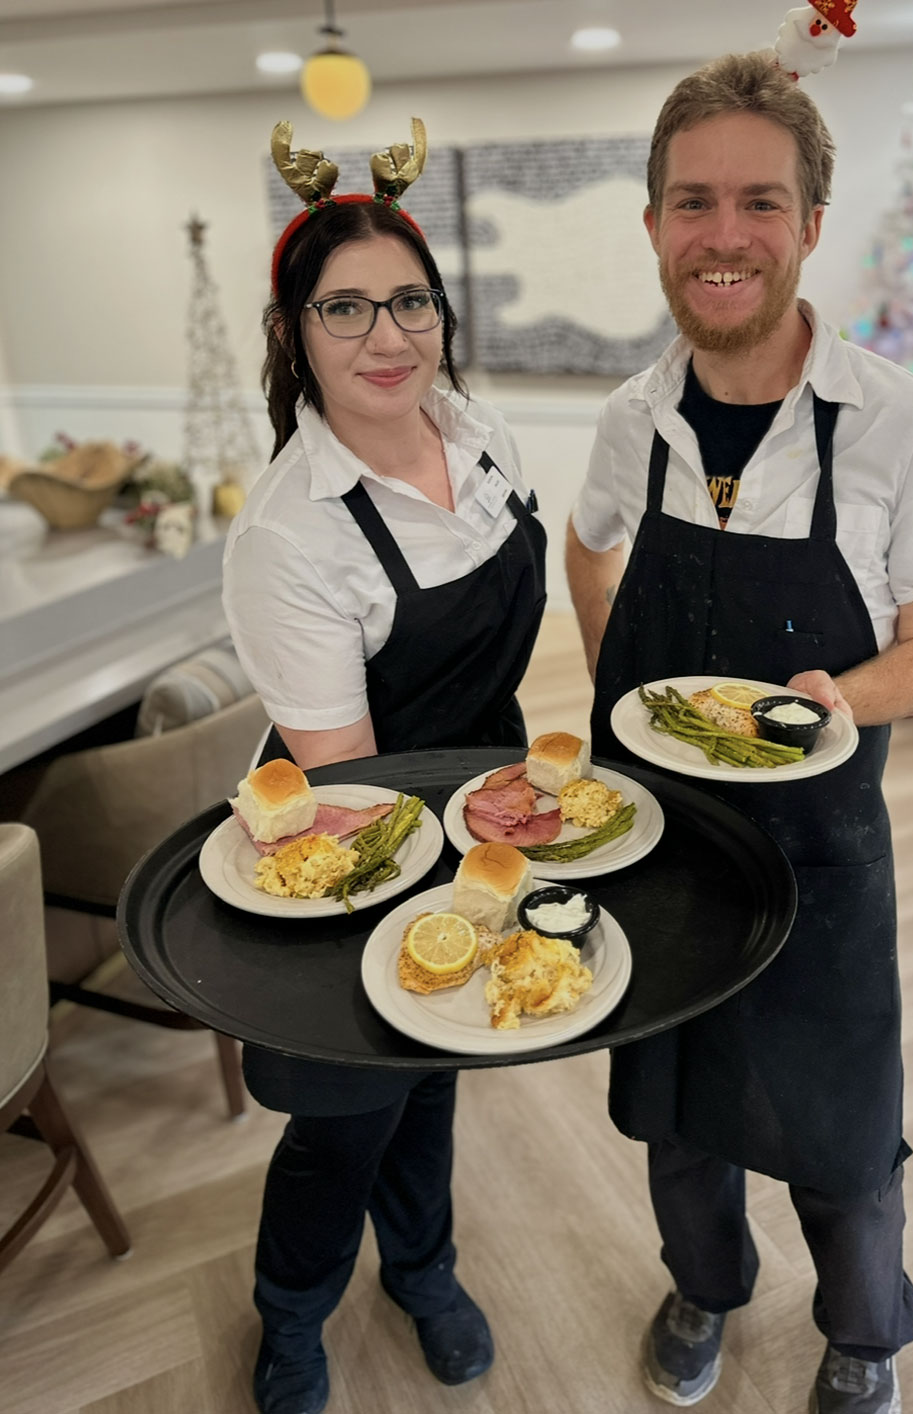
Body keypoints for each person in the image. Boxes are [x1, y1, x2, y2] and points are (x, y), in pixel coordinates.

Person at [566, 53, 913, 1414]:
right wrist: (619, 691)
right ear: (653, 224)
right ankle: (704, 1284)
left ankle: (864, 1330)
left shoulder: (896, 421)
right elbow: (588, 547)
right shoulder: (631, 418)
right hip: (658, 849)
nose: (726, 234)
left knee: (842, 1123)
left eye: (760, 201)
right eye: (693, 202)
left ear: (811, 222)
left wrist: (841, 701)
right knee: (678, 1107)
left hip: (821, 850)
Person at [222, 120, 546, 1414]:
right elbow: (351, 783)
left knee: (438, 1069)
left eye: (410, 299)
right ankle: (292, 1320)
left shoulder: (480, 433)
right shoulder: (291, 533)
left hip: (478, 805)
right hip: (356, 833)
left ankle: (422, 1269)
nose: (386, 334)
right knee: (351, 1109)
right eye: (344, 307)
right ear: (293, 332)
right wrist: (481, 818)